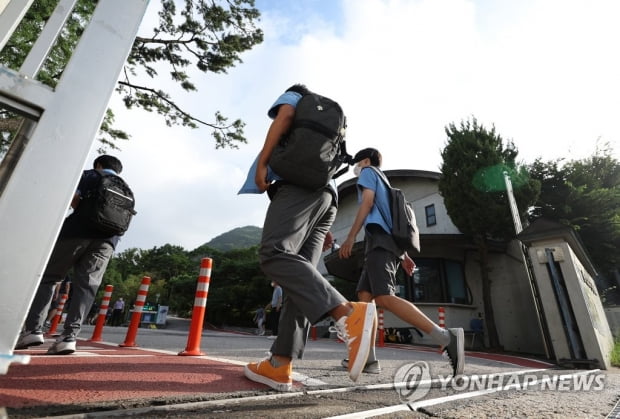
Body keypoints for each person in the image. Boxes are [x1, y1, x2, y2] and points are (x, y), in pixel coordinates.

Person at [241, 84, 377, 392]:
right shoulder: (326, 118)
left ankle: (346, 313)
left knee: (274, 253)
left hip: (298, 188)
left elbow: (285, 114)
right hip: (325, 195)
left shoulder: (296, 98)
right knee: (299, 280)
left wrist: (263, 161)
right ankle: (279, 363)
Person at [338, 148, 465, 377]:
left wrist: (349, 236)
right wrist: (403, 255)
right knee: (366, 299)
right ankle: (368, 358)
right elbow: (390, 221)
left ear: (365, 161)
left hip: (380, 245)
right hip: (383, 245)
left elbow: (366, 204)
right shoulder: (385, 183)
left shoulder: (369, 172)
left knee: (384, 297)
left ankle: (445, 337)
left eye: (358, 164)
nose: (356, 169)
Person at [15, 155, 128, 355]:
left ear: (99, 164)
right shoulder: (126, 188)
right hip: (107, 242)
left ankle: (33, 330)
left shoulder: (90, 175)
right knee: (87, 287)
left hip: (76, 234)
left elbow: (73, 199)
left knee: (49, 277)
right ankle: (69, 338)